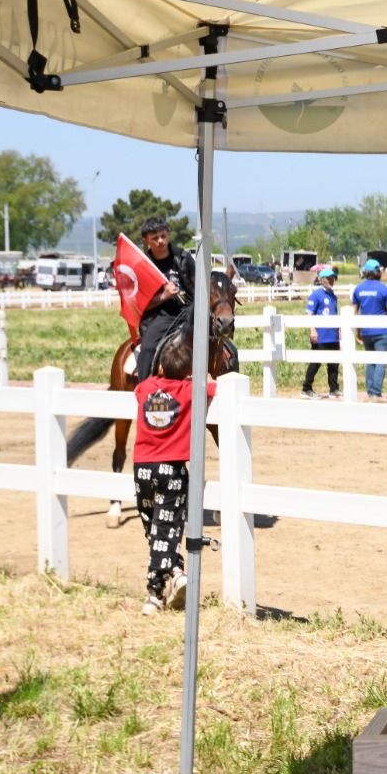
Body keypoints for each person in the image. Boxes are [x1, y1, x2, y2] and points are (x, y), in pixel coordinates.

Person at [133, 334, 216, 615]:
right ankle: (159, 590)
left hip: (142, 468)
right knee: (167, 529)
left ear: (160, 368)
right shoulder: (190, 390)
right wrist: (199, 377)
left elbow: (138, 388)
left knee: (154, 529)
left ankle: (171, 577)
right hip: (172, 469)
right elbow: (213, 387)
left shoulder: (145, 388)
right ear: (188, 372)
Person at [133, 216, 198, 383]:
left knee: (224, 343)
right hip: (164, 315)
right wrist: (164, 296)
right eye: (155, 238)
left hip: (192, 309)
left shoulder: (183, 258)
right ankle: (144, 387)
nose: (160, 241)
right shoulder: (144, 266)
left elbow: (199, 286)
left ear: (168, 234)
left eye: (163, 235)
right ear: (146, 240)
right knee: (147, 348)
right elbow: (142, 304)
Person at [352, 259, 387, 400]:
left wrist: (358, 332)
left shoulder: (358, 289)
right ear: (378, 272)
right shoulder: (384, 289)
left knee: (370, 361)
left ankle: (370, 391)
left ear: (366, 272)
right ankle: (376, 393)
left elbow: (355, 313)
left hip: (366, 331)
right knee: (381, 361)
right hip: (381, 331)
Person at [302, 266, 342, 399]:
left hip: (332, 336)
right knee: (315, 362)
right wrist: (313, 330)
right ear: (321, 279)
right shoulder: (316, 295)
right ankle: (306, 388)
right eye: (328, 278)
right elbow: (309, 314)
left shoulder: (333, 296)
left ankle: (334, 388)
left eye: (332, 278)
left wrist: (339, 330)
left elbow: (334, 313)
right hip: (321, 336)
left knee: (334, 364)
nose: (331, 280)